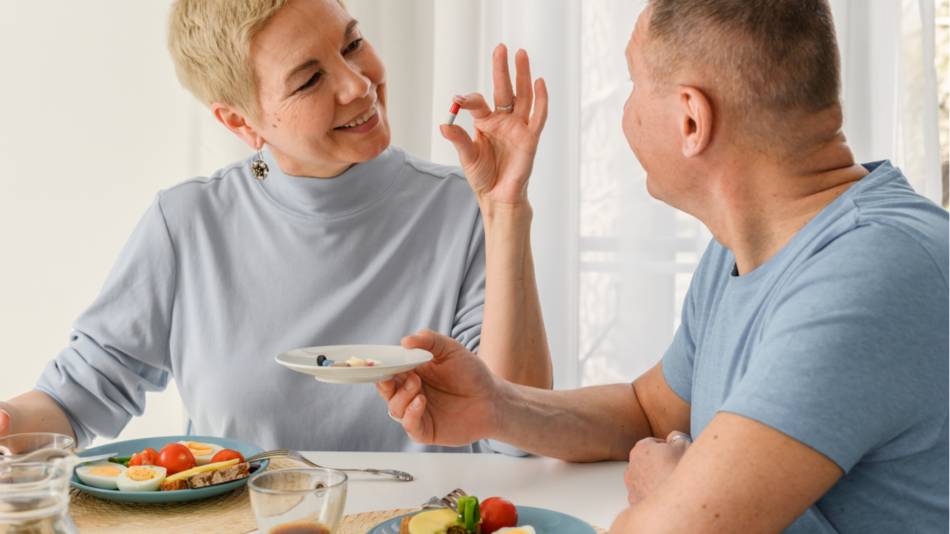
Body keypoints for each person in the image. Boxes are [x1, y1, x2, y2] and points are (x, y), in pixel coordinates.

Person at [378, 0, 949, 531]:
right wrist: (498, 405)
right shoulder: (747, 246)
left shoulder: (868, 275)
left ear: (691, 121)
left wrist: (669, 489)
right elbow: (650, 410)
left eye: (633, 84)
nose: (624, 113)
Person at [0, 0, 553, 453]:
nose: (357, 85)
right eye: (310, 79)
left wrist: (507, 211)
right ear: (240, 121)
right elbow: (74, 400)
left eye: (352, 43)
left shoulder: (463, 206)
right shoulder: (189, 223)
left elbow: (515, 436)